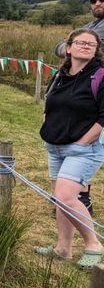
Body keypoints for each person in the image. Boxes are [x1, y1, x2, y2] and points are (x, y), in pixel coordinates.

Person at [34, 28, 104, 270]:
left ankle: (93, 244)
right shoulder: (60, 75)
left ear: (96, 51)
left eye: (91, 44)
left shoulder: (100, 76)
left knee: (66, 197)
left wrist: (83, 142)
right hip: (55, 146)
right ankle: (63, 248)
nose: (85, 46)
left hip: (84, 149)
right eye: (81, 42)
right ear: (69, 47)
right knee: (61, 200)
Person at [53, 0, 104, 214]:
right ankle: (76, 197)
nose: (97, 4)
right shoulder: (92, 25)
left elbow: (68, 45)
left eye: (101, 0)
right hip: (83, 88)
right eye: (93, 1)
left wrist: (73, 44)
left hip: (96, 88)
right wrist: (69, 45)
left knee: (88, 143)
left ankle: (76, 199)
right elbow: (59, 47)